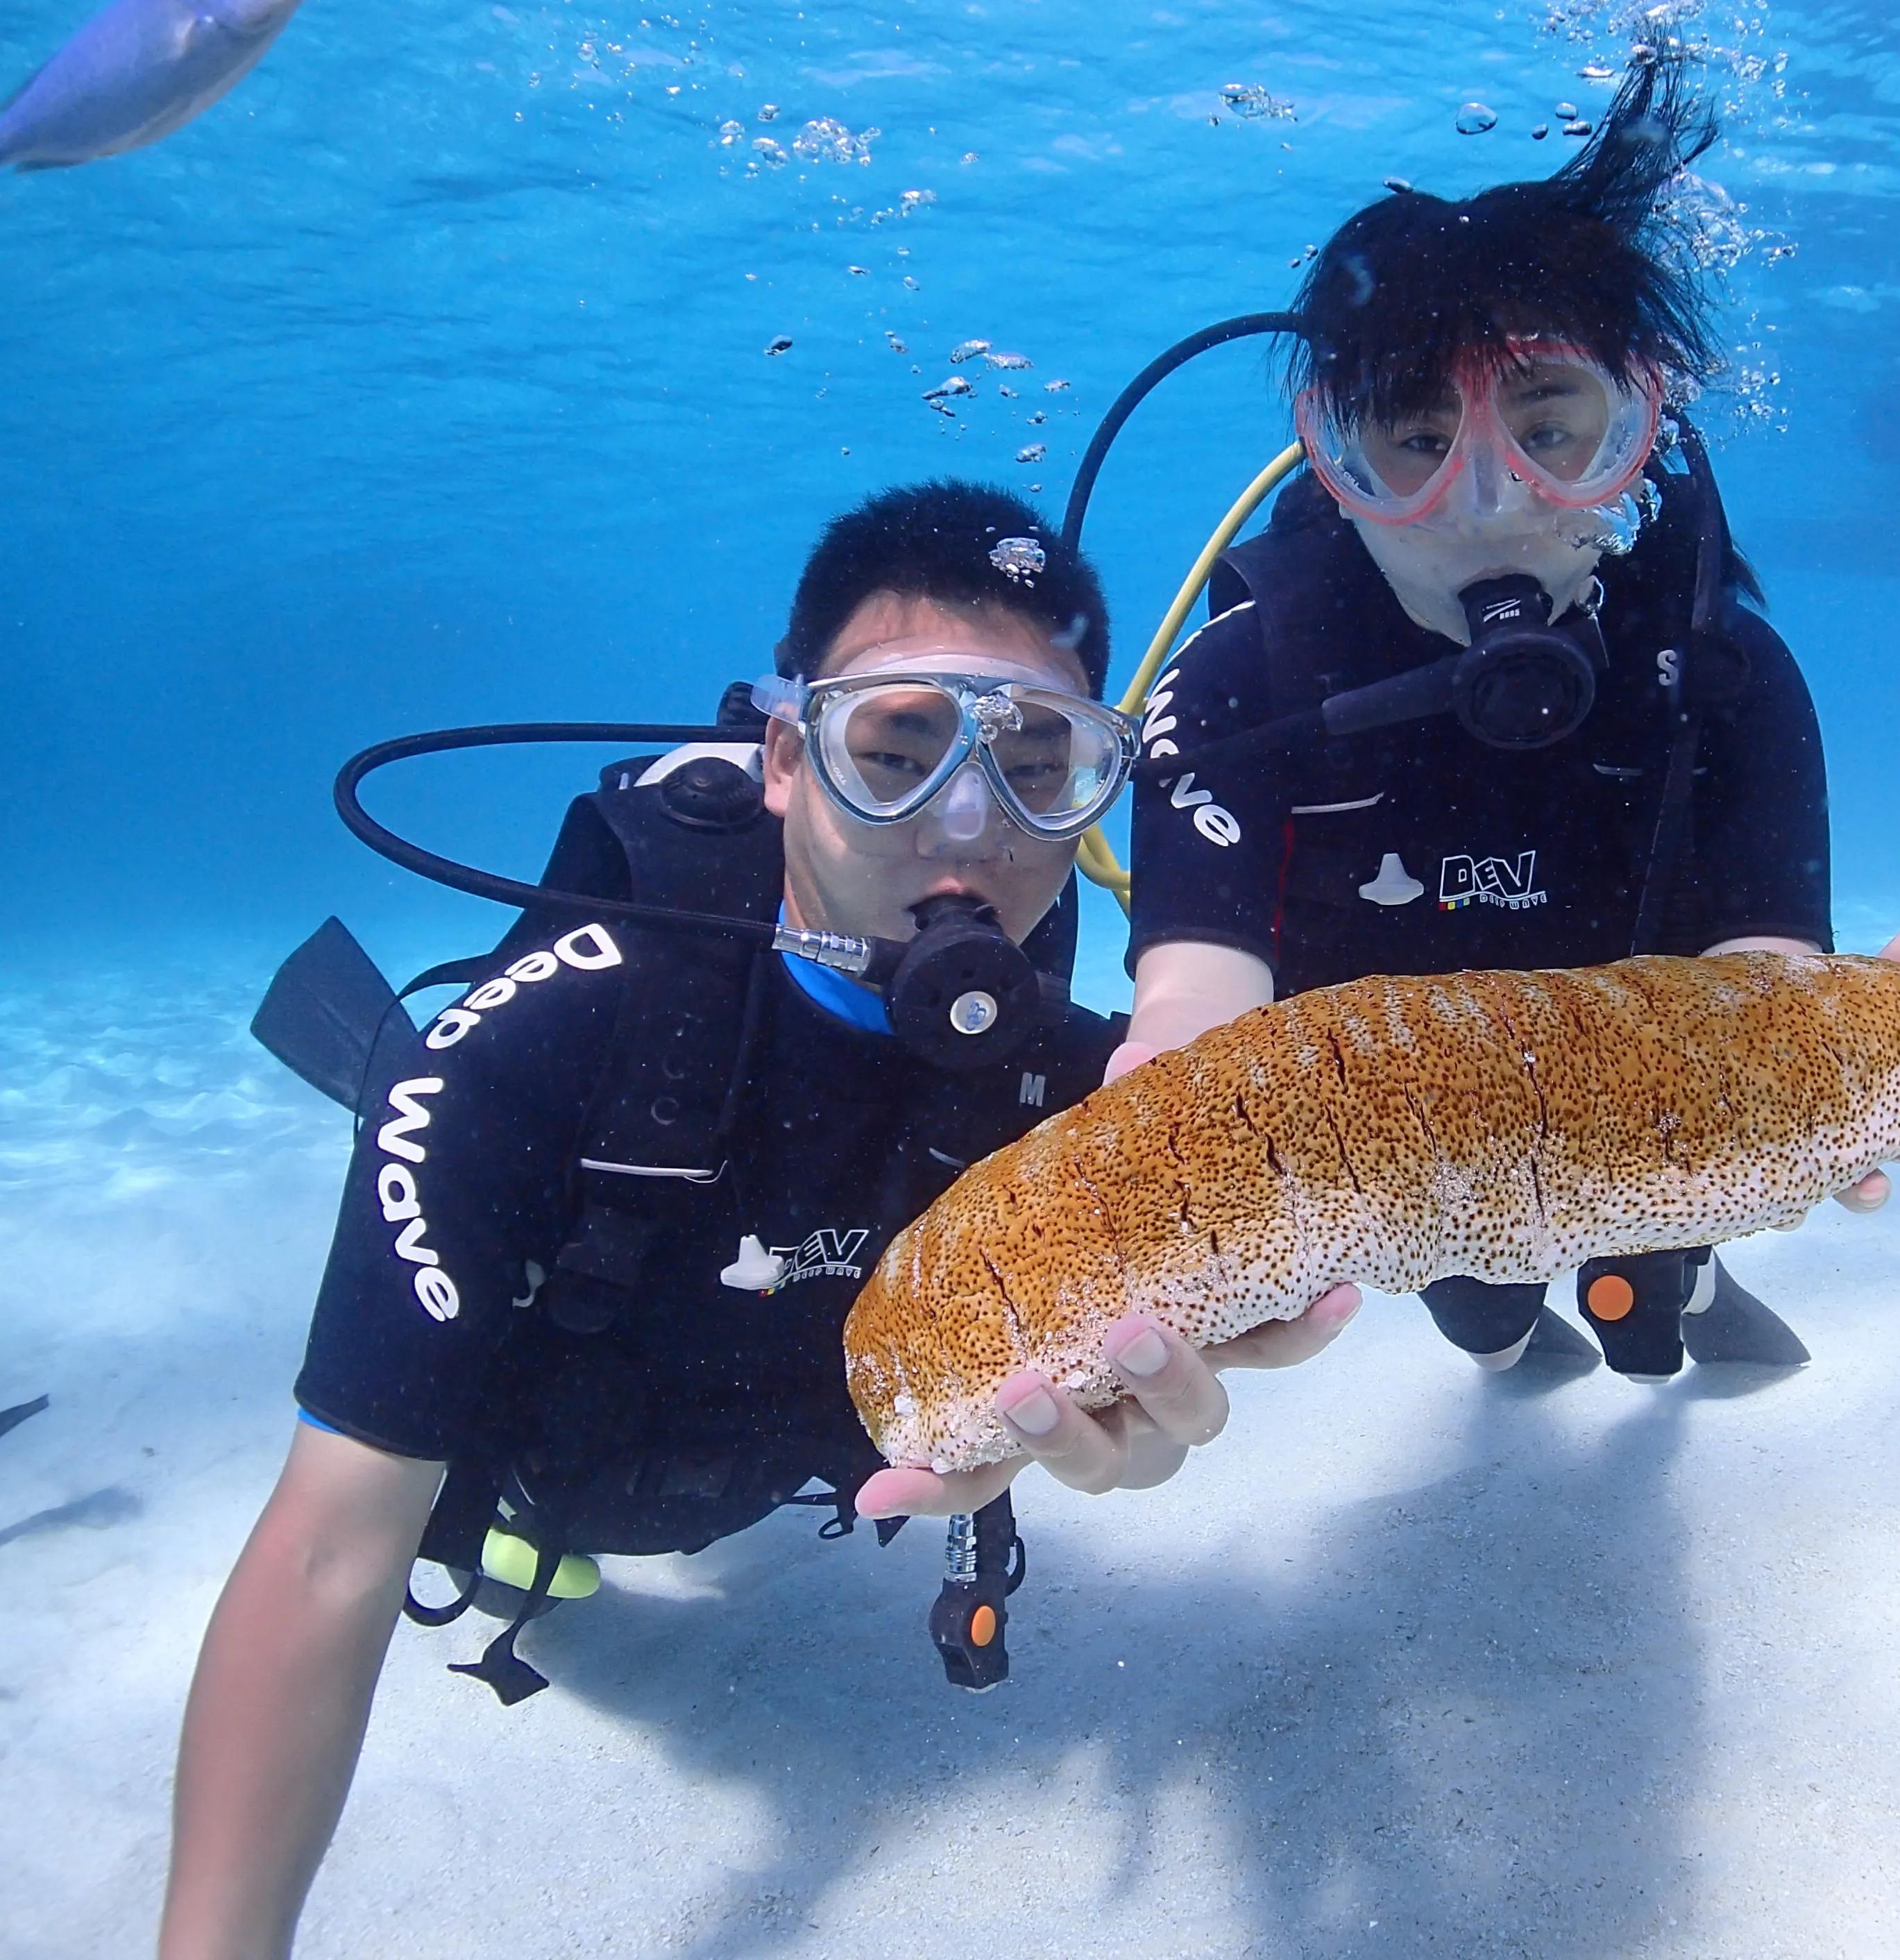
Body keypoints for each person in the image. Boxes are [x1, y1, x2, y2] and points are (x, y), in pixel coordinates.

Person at [159, 482, 1357, 1960]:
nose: (967, 830)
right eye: (896, 751)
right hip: (559, 1473)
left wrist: (1256, 1303)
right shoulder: (537, 1046)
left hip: (795, 1462)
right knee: (520, 1466)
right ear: (788, 760)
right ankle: (377, 1104)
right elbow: (331, 1553)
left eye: (1043, 764)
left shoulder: (1072, 1077)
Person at [1111, 58, 1900, 1382]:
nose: (1487, 500)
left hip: (1648, 1104)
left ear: (1639, 425)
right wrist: (1165, 1089)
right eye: (1411, 439)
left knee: (1664, 1257)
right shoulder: (1234, 693)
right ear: (1335, 468)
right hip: (1419, 1153)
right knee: (1483, 1303)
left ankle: (1667, 1279)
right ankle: (1509, 1332)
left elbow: (1763, 974)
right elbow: (1192, 999)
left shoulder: (1724, 681)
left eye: (1549, 425)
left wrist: (1820, 1070)